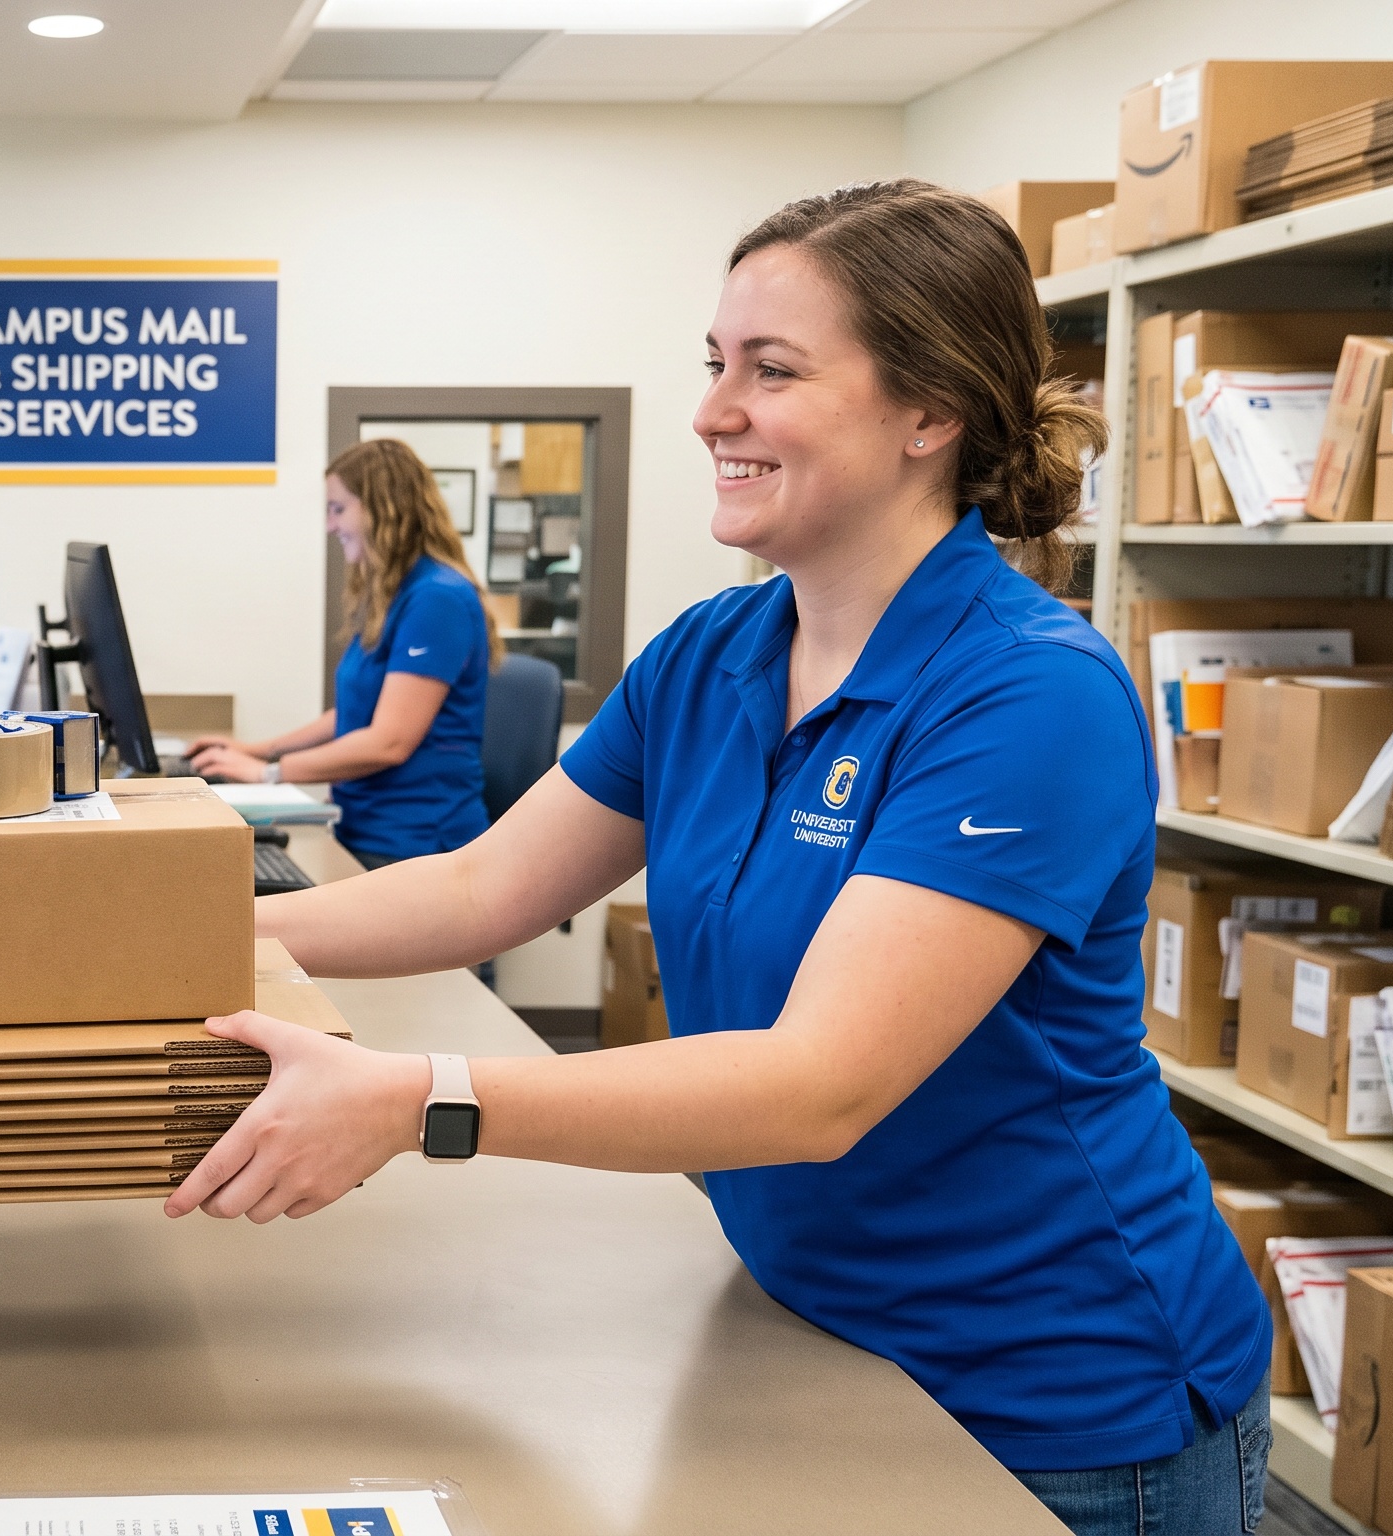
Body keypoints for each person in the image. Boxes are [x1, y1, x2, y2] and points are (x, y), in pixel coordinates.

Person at [164, 180, 1270, 1536]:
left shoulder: (1028, 696)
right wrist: (179, 943)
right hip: (806, 1318)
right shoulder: (710, 654)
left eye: (773, 369)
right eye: (715, 365)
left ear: (932, 414)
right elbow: (483, 887)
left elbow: (819, 1086)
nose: (710, 410)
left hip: (1054, 1404)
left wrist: (421, 1100)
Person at [189, 439, 494, 867]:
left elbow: (388, 742)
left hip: (417, 844)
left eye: (338, 509)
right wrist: (258, 749)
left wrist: (268, 773)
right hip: (365, 828)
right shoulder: (395, 594)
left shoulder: (436, 599)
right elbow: (356, 712)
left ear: (383, 509)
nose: (331, 525)